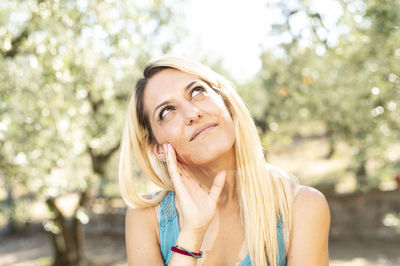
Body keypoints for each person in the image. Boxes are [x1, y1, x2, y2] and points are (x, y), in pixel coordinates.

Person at [118, 55, 331, 266]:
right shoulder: (145, 219)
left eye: (197, 91)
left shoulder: (302, 207)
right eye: (167, 111)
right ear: (158, 149)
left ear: (226, 103)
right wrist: (192, 232)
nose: (192, 113)